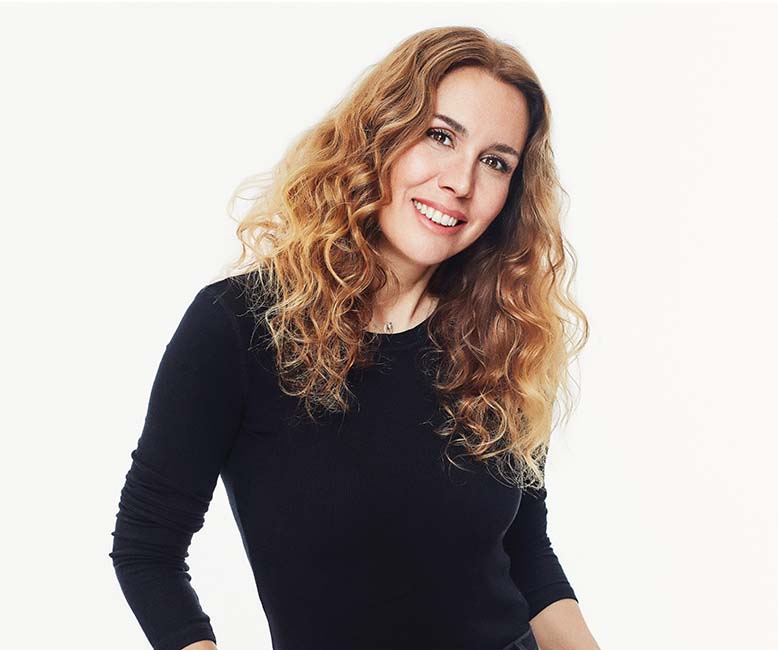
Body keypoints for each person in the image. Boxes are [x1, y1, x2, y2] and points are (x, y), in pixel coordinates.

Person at [109, 25, 599, 650]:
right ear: (381, 134)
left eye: (495, 161)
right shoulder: (238, 325)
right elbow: (147, 547)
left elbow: (526, 553)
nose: (461, 181)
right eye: (440, 136)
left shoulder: (502, 340)